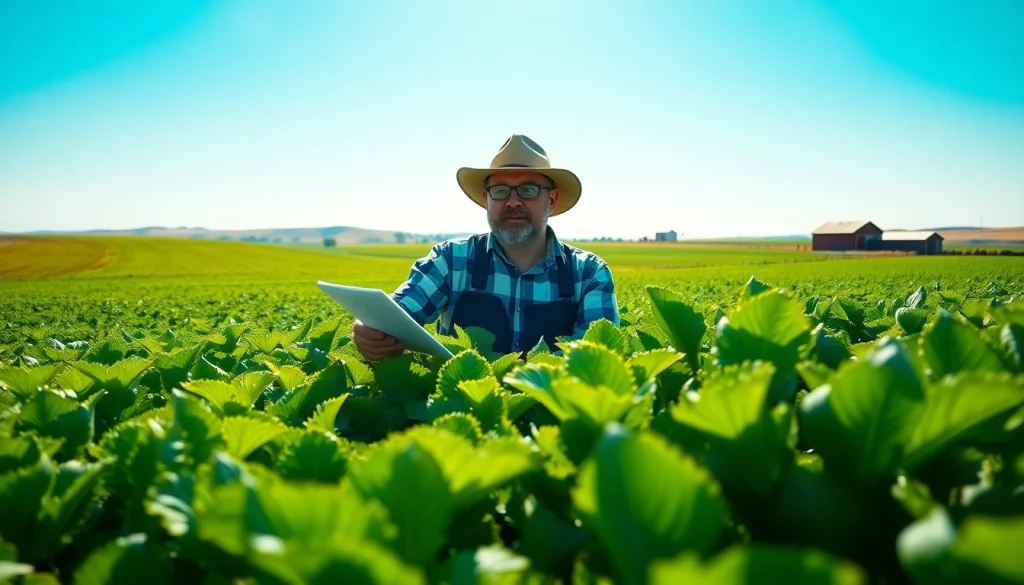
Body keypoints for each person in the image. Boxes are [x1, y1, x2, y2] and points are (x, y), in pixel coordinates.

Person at [352, 134, 619, 361]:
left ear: (552, 199)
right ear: (486, 199)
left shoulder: (589, 273)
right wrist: (371, 332)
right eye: (500, 191)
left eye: (527, 190)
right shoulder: (450, 260)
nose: (513, 202)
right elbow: (397, 314)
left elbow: (595, 360)